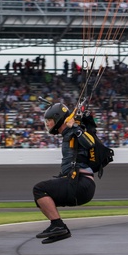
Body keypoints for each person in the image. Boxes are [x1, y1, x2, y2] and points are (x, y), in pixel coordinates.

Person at [31, 102, 97, 244]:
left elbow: (90, 143)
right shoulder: (68, 133)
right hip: (79, 184)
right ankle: (61, 230)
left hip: (81, 184)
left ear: (57, 118)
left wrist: (75, 126)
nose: (47, 124)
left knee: (40, 189)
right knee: (42, 199)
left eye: (49, 121)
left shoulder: (75, 130)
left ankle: (58, 225)